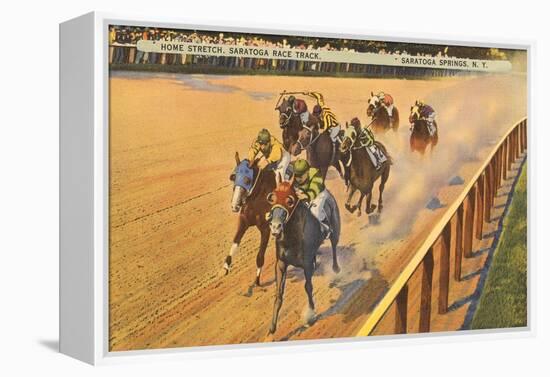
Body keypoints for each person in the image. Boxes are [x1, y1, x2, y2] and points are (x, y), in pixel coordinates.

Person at [291, 159, 331, 237]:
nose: (298, 178)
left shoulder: (315, 173)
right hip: (304, 193)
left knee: (314, 212)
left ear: (307, 172)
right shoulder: (295, 178)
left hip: (319, 194)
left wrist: (307, 196)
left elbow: (315, 188)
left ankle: (325, 227)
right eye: (296, 175)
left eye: (300, 175)